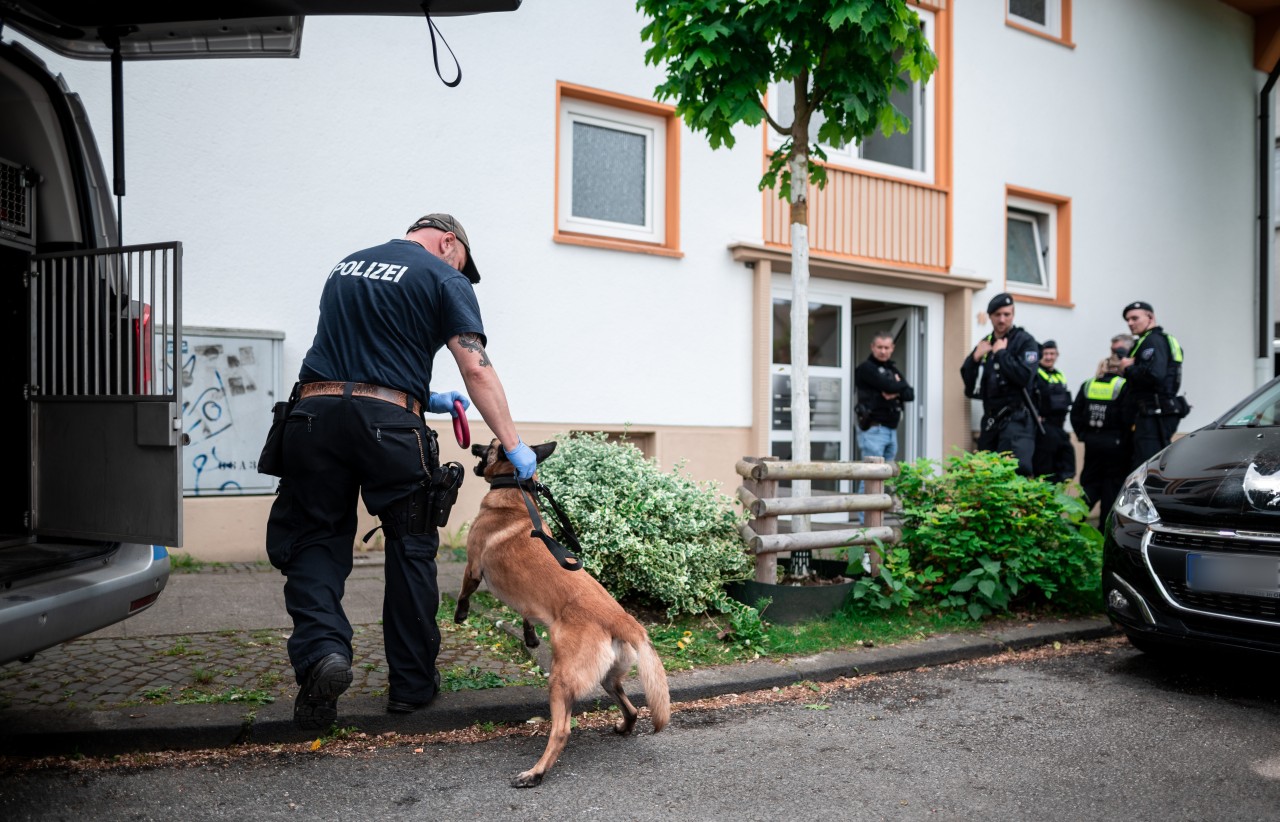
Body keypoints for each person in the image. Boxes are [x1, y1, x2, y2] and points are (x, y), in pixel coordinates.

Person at [266, 213, 537, 731]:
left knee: (314, 540)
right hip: (388, 430)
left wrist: (424, 394)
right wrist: (513, 444)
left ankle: (323, 652)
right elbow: (475, 365)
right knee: (411, 547)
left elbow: (352, 353)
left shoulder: (345, 266)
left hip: (312, 416)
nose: (461, 269)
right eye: (461, 260)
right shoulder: (443, 276)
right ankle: (411, 687)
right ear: (448, 241)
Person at [960, 292, 1041, 476]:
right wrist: (974, 359)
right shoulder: (986, 342)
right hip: (991, 421)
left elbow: (1024, 377)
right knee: (985, 475)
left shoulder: (1025, 341)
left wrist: (1002, 354)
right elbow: (969, 386)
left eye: (1007, 314)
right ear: (990, 317)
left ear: (1013, 315)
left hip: (1017, 422)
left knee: (1012, 475)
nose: (1002, 319)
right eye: (997, 315)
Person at [1118, 300, 1186, 469]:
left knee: (1147, 467)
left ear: (1150, 317)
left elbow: (1155, 375)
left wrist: (1129, 368)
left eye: (1134, 318)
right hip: (1154, 412)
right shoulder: (1154, 340)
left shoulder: (1152, 341)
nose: (1130, 323)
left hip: (1153, 415)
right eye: (1128, 320)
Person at [1071, 339, 1131, 520]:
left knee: (1089, 484)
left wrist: (1083, 435)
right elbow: (1127, 417)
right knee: (1110, 488)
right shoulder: (1123, 385)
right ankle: (1103, 531)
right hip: (1115, 444)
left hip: (1092, 442)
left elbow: (1075, 414)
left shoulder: (1088, 384)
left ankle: (1075, 523)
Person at [854, 331, 914, 464]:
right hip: (874, 429)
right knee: (871, 477)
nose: (883, 351)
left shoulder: (892, 369)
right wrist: (897, 387)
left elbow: (910, 394)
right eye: (879, 347)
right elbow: (889, 387)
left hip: (891, 429)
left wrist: (897, 388)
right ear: (872, 347)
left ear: (892, 348)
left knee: (885, 477)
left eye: (886, 348)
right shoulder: (866, 368)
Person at [1032, 340, 1076, 483]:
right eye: (1045, 354)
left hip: (1059, 427)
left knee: (1066, 464)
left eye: (1052, 354)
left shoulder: (1059, 375)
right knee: (1045, 469)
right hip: (1043, 428)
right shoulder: (1035, 374)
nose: (1049, 357)